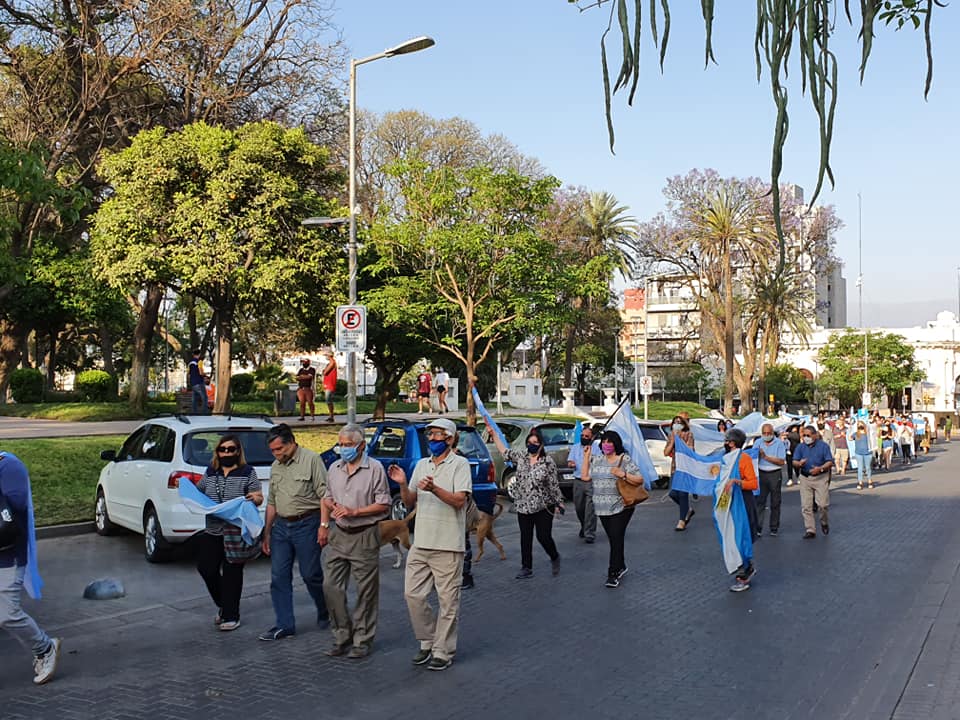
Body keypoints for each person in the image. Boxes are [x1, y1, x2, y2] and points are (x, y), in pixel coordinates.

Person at [388, 418, 471, 672]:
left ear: (449, 438)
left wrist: (435, 489)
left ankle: (442, 651)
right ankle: (428, 639)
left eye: (437, 435)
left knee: (448, 601)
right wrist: (402, 483)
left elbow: (459, 501)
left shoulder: (460, 464)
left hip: (448, 544)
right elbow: (410, 500)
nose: (432, 439)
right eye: (430, 435)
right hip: (421, 542)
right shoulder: (421, 464)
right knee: (413, 594)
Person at [320, 424, 391, 659]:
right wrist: (328, 517)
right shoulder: (334, 468)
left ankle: (362, 640)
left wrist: (355, 512)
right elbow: (327, 498)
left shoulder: (375, 469)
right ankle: (342, 635)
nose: (343, 449)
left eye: (348, 445)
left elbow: (384, 504)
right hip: (339, 534)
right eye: (340, 444)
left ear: (361, 446)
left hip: (365, 534)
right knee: (331, 587)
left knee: (366, 591)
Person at [259, 424, 329, 641]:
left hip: (307, 524)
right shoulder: (275, 466)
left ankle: (326, 609)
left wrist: (324, 526)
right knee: (279, 576)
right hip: (281, 526)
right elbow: (272, 501)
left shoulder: (311, 460)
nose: (276, 454)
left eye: (279, 449)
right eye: (273, 451)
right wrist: (267, 532)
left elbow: (325, 495)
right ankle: (285, 624)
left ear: (291, 443)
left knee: (311, 575)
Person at [0, 451, 61, 685]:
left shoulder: (9, 466)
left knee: (6, 615)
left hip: (7, 556)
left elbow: (17, 506)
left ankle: (44, 648)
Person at [195, 435, 263, 632]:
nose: (226, 453)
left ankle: (232, 615)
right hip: (213, 530)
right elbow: (199, 492)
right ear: (217, 452)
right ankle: (224, 605)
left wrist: (254, 498)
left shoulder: (247, 472)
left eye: (230, 449)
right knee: (206, 568)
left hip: (235, 530)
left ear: (237, 451)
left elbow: (258, 496)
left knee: (232, 572)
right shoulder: (211, 472)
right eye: (222, 449)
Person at [490, 426, 563, 579]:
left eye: (535, 442)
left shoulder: (548, 462)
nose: (531, 445)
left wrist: (559, 503)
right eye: (529, 442)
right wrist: (494, 435)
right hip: (523, 504)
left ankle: (554, 556)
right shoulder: (522, 456)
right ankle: (526, 567)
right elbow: (504, 451)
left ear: (541, 445)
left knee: (543, 537)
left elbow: (553, 484)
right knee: (525, 536)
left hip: (543, 505)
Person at [583, 429, 644, 589]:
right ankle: (621, 565)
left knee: (616, 537)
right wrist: (586, 456)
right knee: (614, 539)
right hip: (602, 507)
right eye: (604, 442)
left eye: (609, 442)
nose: (606, 445)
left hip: (621, 506)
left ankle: (613, 573)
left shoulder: (624, 459)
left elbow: (639, 479)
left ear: (616, 444)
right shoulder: (597, 460)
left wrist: (622, 474)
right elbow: (585, 476)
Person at [722, 428, 759, 591]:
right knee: (731, 535)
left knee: (741, 537)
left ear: (733, 442)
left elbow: (753, 484)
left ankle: (745, 571)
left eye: (727, 440)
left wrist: (738, 481)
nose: (725, 443)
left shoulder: (744, 459)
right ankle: (743, 568)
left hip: (743, 502)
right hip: (730, 500)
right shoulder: (725, 459)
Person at [792, 425, 834, 539]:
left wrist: (820, 469)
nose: (806, 437)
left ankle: (824, 522)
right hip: (805, 477)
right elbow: (794, 461)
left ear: (815, 435)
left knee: (822, 504)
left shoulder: (823, 446)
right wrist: (798, 463)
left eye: (808, 435)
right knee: (806, 505)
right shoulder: (800, 447)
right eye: (804, 435)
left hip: (820, 477)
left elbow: (829, 462)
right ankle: (810, 529)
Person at [566, 423, 599, 543]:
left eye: (586, 436)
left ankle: (590, 533)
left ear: (591, 437)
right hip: (578, 481)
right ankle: (584, 526)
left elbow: (599, 462)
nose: (584, 438)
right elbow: (570, 460)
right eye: (582, 435)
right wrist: (571, 464)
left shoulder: (596, 448)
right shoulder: (575, 447)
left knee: (591, 508)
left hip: (591, 481)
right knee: (579, 508)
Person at [664, 415, 696, 531]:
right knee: (673, 493)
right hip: (675, 467)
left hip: (686, 468)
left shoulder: (689, 435)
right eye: (675, 422)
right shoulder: (671, 435)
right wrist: (672, 441)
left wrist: (680, 440)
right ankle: (687, 509)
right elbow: (666, 452)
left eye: (679, 422)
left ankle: (682, 521)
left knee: (683, 494)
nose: (677, 424)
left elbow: (690, 450)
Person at [756, 423, 786, 537]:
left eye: (769, 433)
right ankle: (758, 527)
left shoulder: (779, 443)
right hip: (761, 473)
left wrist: (766, 457)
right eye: (764, 433)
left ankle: (774, 527)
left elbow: (781, 461)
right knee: (760, 502)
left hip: (774, 473)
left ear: (773, 433)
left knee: (775, 502)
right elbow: (752, 459)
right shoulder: (758, 443)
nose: (767, 435)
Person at [852, 421, 874, 490]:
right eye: (858, 424)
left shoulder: (868, 433)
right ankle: (860, 482)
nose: (860, 425)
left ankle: (869, 481)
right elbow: (850, 438)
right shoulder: (856, 434)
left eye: (861, 424)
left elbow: (874, 438)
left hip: (868, 452)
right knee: (860, 468)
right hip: (858, 453)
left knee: (868, 468)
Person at [296, 357, 317, 422]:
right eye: (303, 362)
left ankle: (312, 416)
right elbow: (297, 377)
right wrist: (303, 377)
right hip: (301, 388)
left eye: (305, 362)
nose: (304, 363)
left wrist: (302, 377)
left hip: (308, 389)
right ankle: (302, 416)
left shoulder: (312, 369)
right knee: (302, 403)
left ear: (308, 363)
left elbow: (309, 377)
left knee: (310, 402)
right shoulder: (301, 370)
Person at [322, 351, 338, 423]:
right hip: (328, 384)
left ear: (329, 355)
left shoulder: (332, 362)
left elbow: (325, 372)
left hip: (330, 384)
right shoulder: (330, 363)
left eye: (326, 355)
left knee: (328, 400)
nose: (326, 357)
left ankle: (331, 416)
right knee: (328, 400)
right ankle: (330, 416)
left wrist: (324, 371)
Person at [189, 349, 206, 414]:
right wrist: (205, 375)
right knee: (204, 397)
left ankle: (194, 413)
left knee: (194, 399)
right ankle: (204, 413)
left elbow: (189, 374)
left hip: (193, 383)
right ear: (199, 354)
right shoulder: (199, 362)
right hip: (199, 382)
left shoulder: (190, 363)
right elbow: (201, 372)